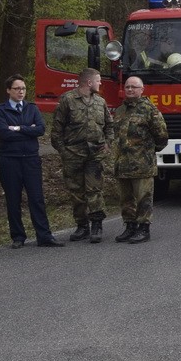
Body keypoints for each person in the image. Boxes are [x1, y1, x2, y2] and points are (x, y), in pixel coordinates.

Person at [0, 75, 64, 249]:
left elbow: (40, 129)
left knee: (37, 198)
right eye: (17, 88)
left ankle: (44, 235)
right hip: (9, 160)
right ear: (8, 90)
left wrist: (17, 128)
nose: (21, 92)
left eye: (23, 88)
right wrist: (27, 129)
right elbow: (3, 133)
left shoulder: (32, 108)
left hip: (31, 160)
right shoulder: (0, 110)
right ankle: (18, 236)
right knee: (13, 199)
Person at [51, 67, 113, 243]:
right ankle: (82, 225)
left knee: (95, 190)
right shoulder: (68, 100)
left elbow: (109, 125)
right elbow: (57, 130)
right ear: (89, 82)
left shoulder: (100, 102)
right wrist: (63, 151)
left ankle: (96, 225)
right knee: (76, 192)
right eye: (98, 80)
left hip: (95, 154)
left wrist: (108, 143)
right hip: (73, 154)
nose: (100, 83)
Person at [112, 77, 169, 243]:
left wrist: (149, 152)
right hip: (122, 163)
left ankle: (144, 228)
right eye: (128, 87)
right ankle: (129, 226)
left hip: (142, 164)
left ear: (142, 89)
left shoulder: (149, 109)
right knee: (126, 199)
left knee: (143, 197)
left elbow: (162, 136)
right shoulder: (120, 110)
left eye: (134, 87)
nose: (130, 90)